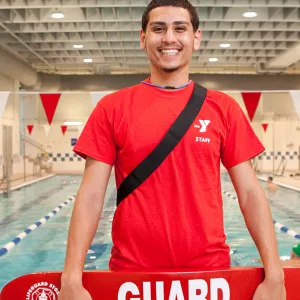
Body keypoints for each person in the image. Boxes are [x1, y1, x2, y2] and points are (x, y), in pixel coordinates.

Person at [58, 1, 286, 299]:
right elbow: (90, 196)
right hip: (132, 276)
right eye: (158, 29)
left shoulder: (224, 108)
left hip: (209, 274)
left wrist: (274, 273)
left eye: (180, 28)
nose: (169, 38)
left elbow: (250, 193)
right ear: (143, 38)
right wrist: (71, 276)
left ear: (196, 37)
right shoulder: (111, 108)